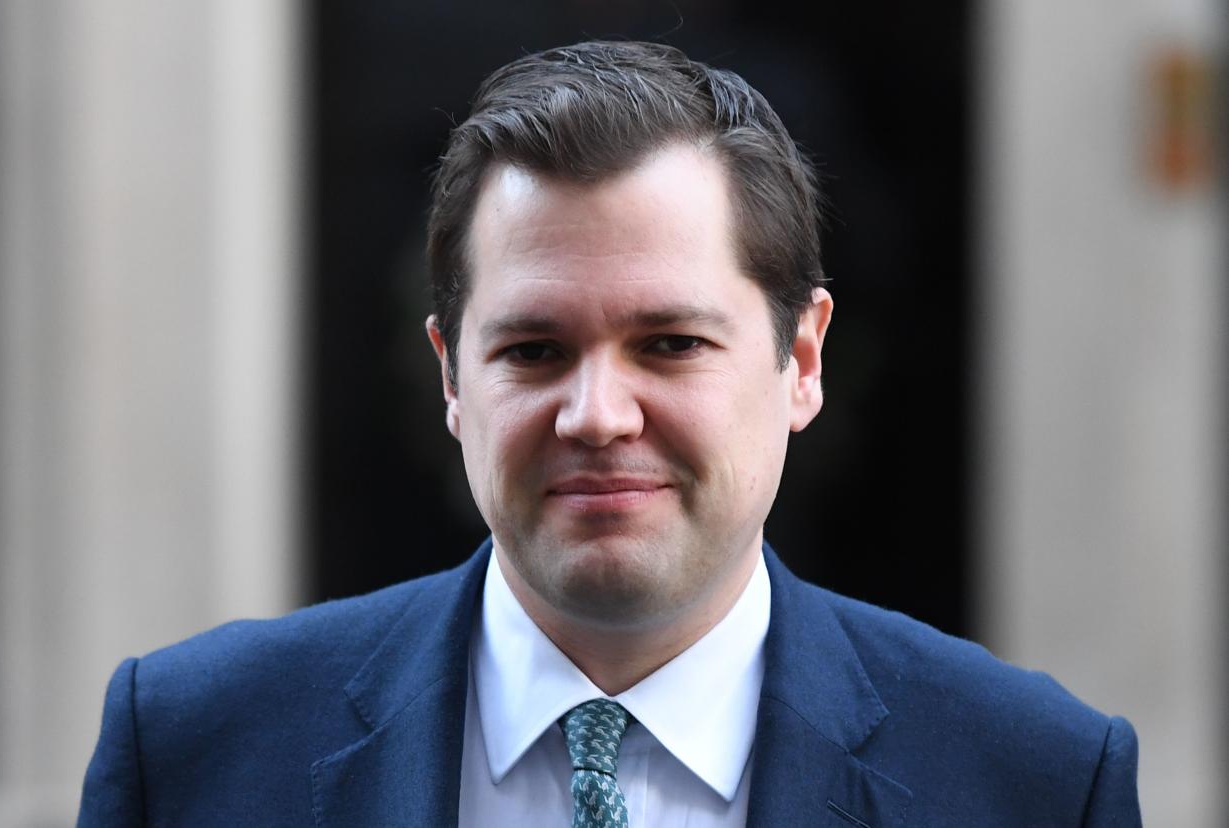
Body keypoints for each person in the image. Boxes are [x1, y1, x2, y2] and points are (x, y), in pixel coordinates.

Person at [78, 41, 1141, 827]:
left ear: (801, 360)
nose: (596, 416)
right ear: (452, 375)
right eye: (534, 350)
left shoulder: (1035, 783)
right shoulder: (190, 752)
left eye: (671, 344)